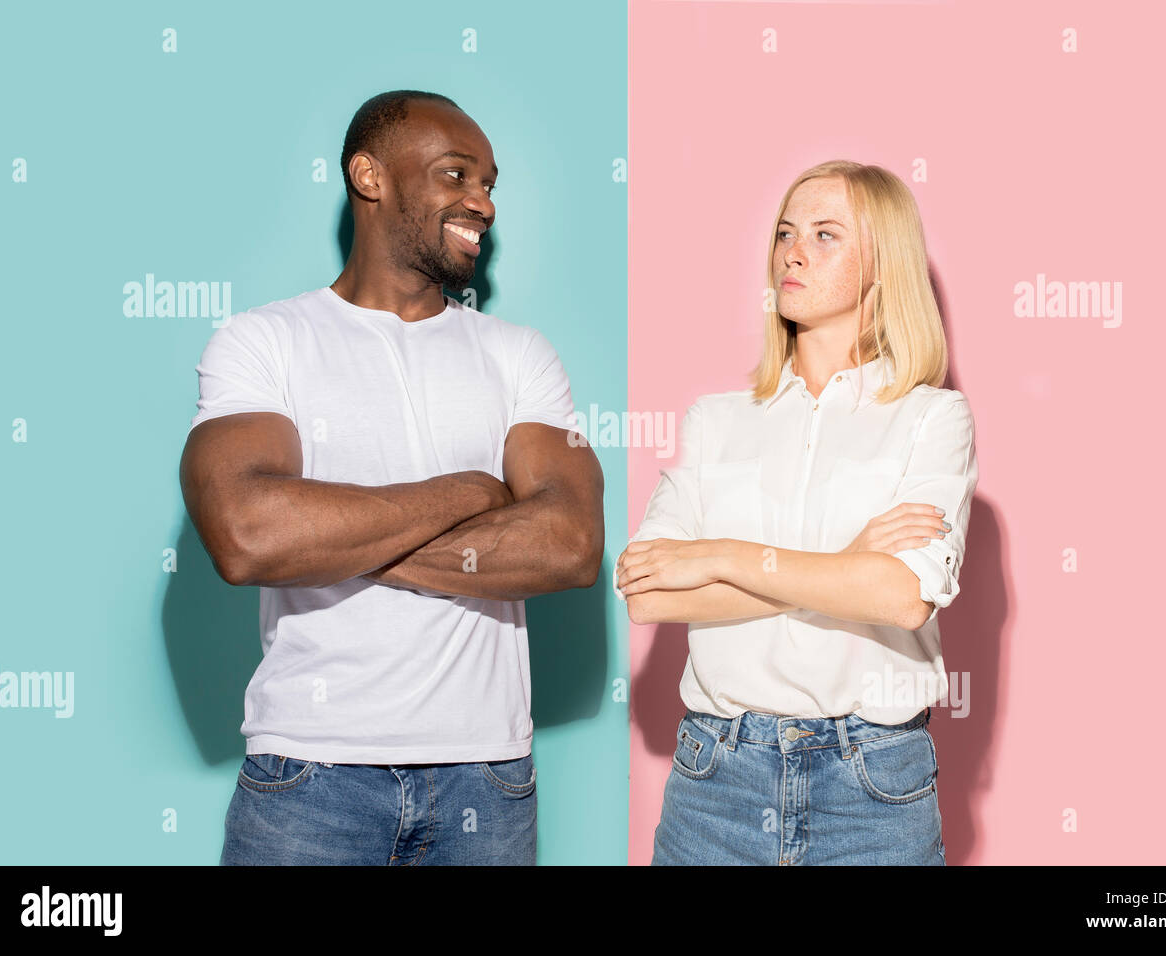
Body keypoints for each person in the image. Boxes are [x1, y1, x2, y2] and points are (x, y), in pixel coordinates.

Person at [179, 90, 605, 866]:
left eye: (490, 183)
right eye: (456, 175)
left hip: (487, 777)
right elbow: (246, 535)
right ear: (369, 176)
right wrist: (470, 494)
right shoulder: (263, 342)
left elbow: (569, 544)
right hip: (310, 776)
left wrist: (332, 540)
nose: (482, 202)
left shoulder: (519, 355)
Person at [614, 160, 978, 866]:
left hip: (873, 787)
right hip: (717, 777)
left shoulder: (932, 418)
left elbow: (901, 598)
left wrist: (718, 555)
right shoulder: (715, 420)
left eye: (825, 234)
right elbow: (651, 594)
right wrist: (849, 565)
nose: (793, 250)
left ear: (884, 264)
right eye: (786, 231)